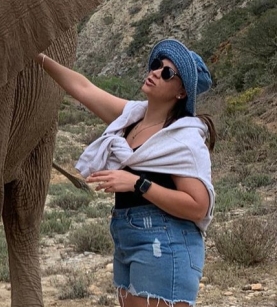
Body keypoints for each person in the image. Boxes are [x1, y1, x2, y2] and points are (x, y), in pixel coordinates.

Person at [36, 38, 216, 307]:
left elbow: (198, 206)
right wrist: (38, 57)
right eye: (156, 65)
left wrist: (138, 183)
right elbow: (83, 88)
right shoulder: (131, 116)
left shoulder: (184, 139)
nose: (155, 72)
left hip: (166, 243)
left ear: (182, 92)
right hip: (128, 237)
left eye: (167, 72)